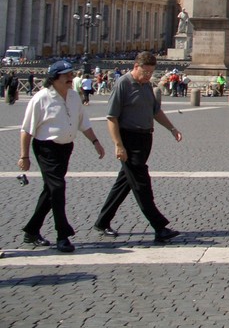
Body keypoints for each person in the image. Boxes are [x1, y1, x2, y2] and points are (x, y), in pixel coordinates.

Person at [93, 52, 182, 243]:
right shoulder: (123, 84)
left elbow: (155, 111)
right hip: (129, 138)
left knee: (125, 182)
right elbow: (112, 117)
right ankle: (159, 226)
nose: (148, 76)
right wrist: (118, 145)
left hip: (145, 138)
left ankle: (102, 221)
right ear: (136, 66)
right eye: (145, 72)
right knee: (141, 183)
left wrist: (172, 128)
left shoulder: (147, 85)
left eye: (151, 72)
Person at [18, 61, 105, 252]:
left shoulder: (73, 96)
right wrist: (24, 156)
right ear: (54, 78)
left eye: (71, 74)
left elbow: (83, 122)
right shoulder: (41, 98)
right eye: (66, 75)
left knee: (50, 191)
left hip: (65, 149)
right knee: (57, 187)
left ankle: (32, 230)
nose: (70, 78)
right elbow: (26, 130)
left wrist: (95, 142)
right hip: (46, 149)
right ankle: (62, 235)